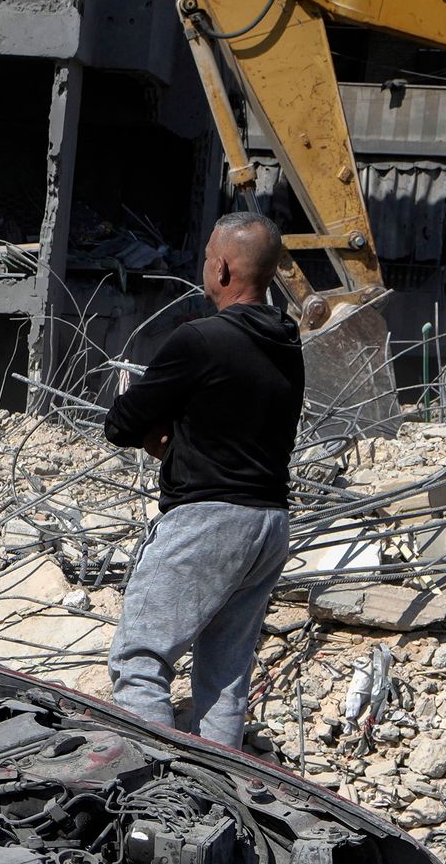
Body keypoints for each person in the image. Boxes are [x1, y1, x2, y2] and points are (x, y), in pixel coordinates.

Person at [101, 212, 304, 746]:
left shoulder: (200, 340)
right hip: (269, 525)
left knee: (140, 661)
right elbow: (232, 415)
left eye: (209, 258)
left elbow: (121, 423)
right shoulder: (288, 343)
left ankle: (155, 795)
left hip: (207, 521)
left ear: (224, 268)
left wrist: (161, 429)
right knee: (224, 678)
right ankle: (217, 798)